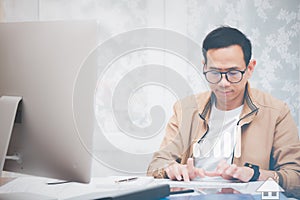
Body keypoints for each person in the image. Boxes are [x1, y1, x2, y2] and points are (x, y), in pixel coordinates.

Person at [147, 26, 300, 198]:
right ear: (204, 67)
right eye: (214, 73)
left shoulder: (276, 112)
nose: (223, 83)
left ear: (250, 68)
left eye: (233, 73)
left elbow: (295, 179)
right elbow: (156, 165)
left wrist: (255, 175)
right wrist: (170, 169)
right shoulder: (185, 109)